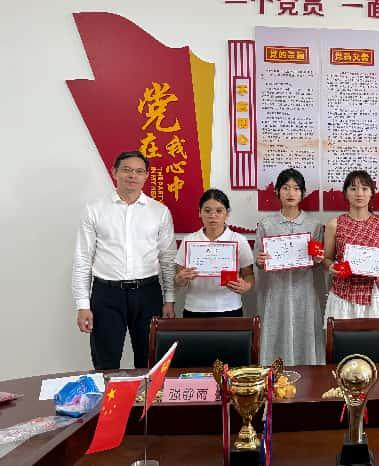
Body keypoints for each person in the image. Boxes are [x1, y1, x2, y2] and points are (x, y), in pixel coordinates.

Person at [72, 150, 176, 370]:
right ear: (115, 172)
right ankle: (108, 394)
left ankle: (146, 395)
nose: (132, 176)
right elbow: (83, 259)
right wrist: (82, 305)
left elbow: (167, 259)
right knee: (105, 362)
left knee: (150, 360)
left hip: (147, 293)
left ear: (146, 176)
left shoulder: (159, 212)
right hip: (106, 294)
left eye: (139, 171)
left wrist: (169, 300)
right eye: (127, 170)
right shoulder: (94, 210)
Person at [255, 169, 325, 365]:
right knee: (276, 332)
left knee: (306, 332)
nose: (291, 193)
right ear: (277, 191)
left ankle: (310, 377)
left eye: (296, 188)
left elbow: (318, 261)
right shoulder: (266, 224)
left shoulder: (314, 225)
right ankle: (275, 375)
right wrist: (260, 261)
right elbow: (258, 261)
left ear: (303, 193)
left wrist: (318, 259)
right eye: (286, 188)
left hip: (305, 290)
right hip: (277, 290)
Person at [322, 170, 379, 325]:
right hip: (343, 294)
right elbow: (326, 259)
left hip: (374, 294)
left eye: (365, 188)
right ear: (345, 193)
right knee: (342, 340)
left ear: (371, 193)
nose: (359, 194)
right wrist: (332, 267)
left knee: (377, 338)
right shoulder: (334, 224)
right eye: (353, 189)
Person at [175, 189, 254, 318]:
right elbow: (179, 278)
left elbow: (249, 274)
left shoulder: (239, 240)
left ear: (227, 213)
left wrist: (246, 286)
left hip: (230, 308)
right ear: (199, 212)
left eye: (219, 211)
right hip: (194, 308)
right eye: (207, 211)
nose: (213, 215)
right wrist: (180, 279)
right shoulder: (189, 240)